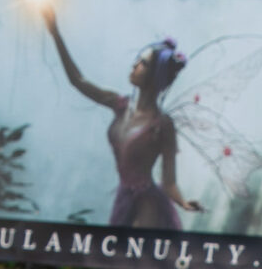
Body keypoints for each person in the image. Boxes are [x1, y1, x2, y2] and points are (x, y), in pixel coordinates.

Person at [40, 12, 200, 228]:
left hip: (147, 204)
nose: (134, 65)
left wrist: (183, 203)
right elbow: (78, 81)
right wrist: (55, 34)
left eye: (143, 63)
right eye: (138, 60)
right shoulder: (120, 106)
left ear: (155, 75)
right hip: (123, 199)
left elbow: (169, 182)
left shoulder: (162, 124)